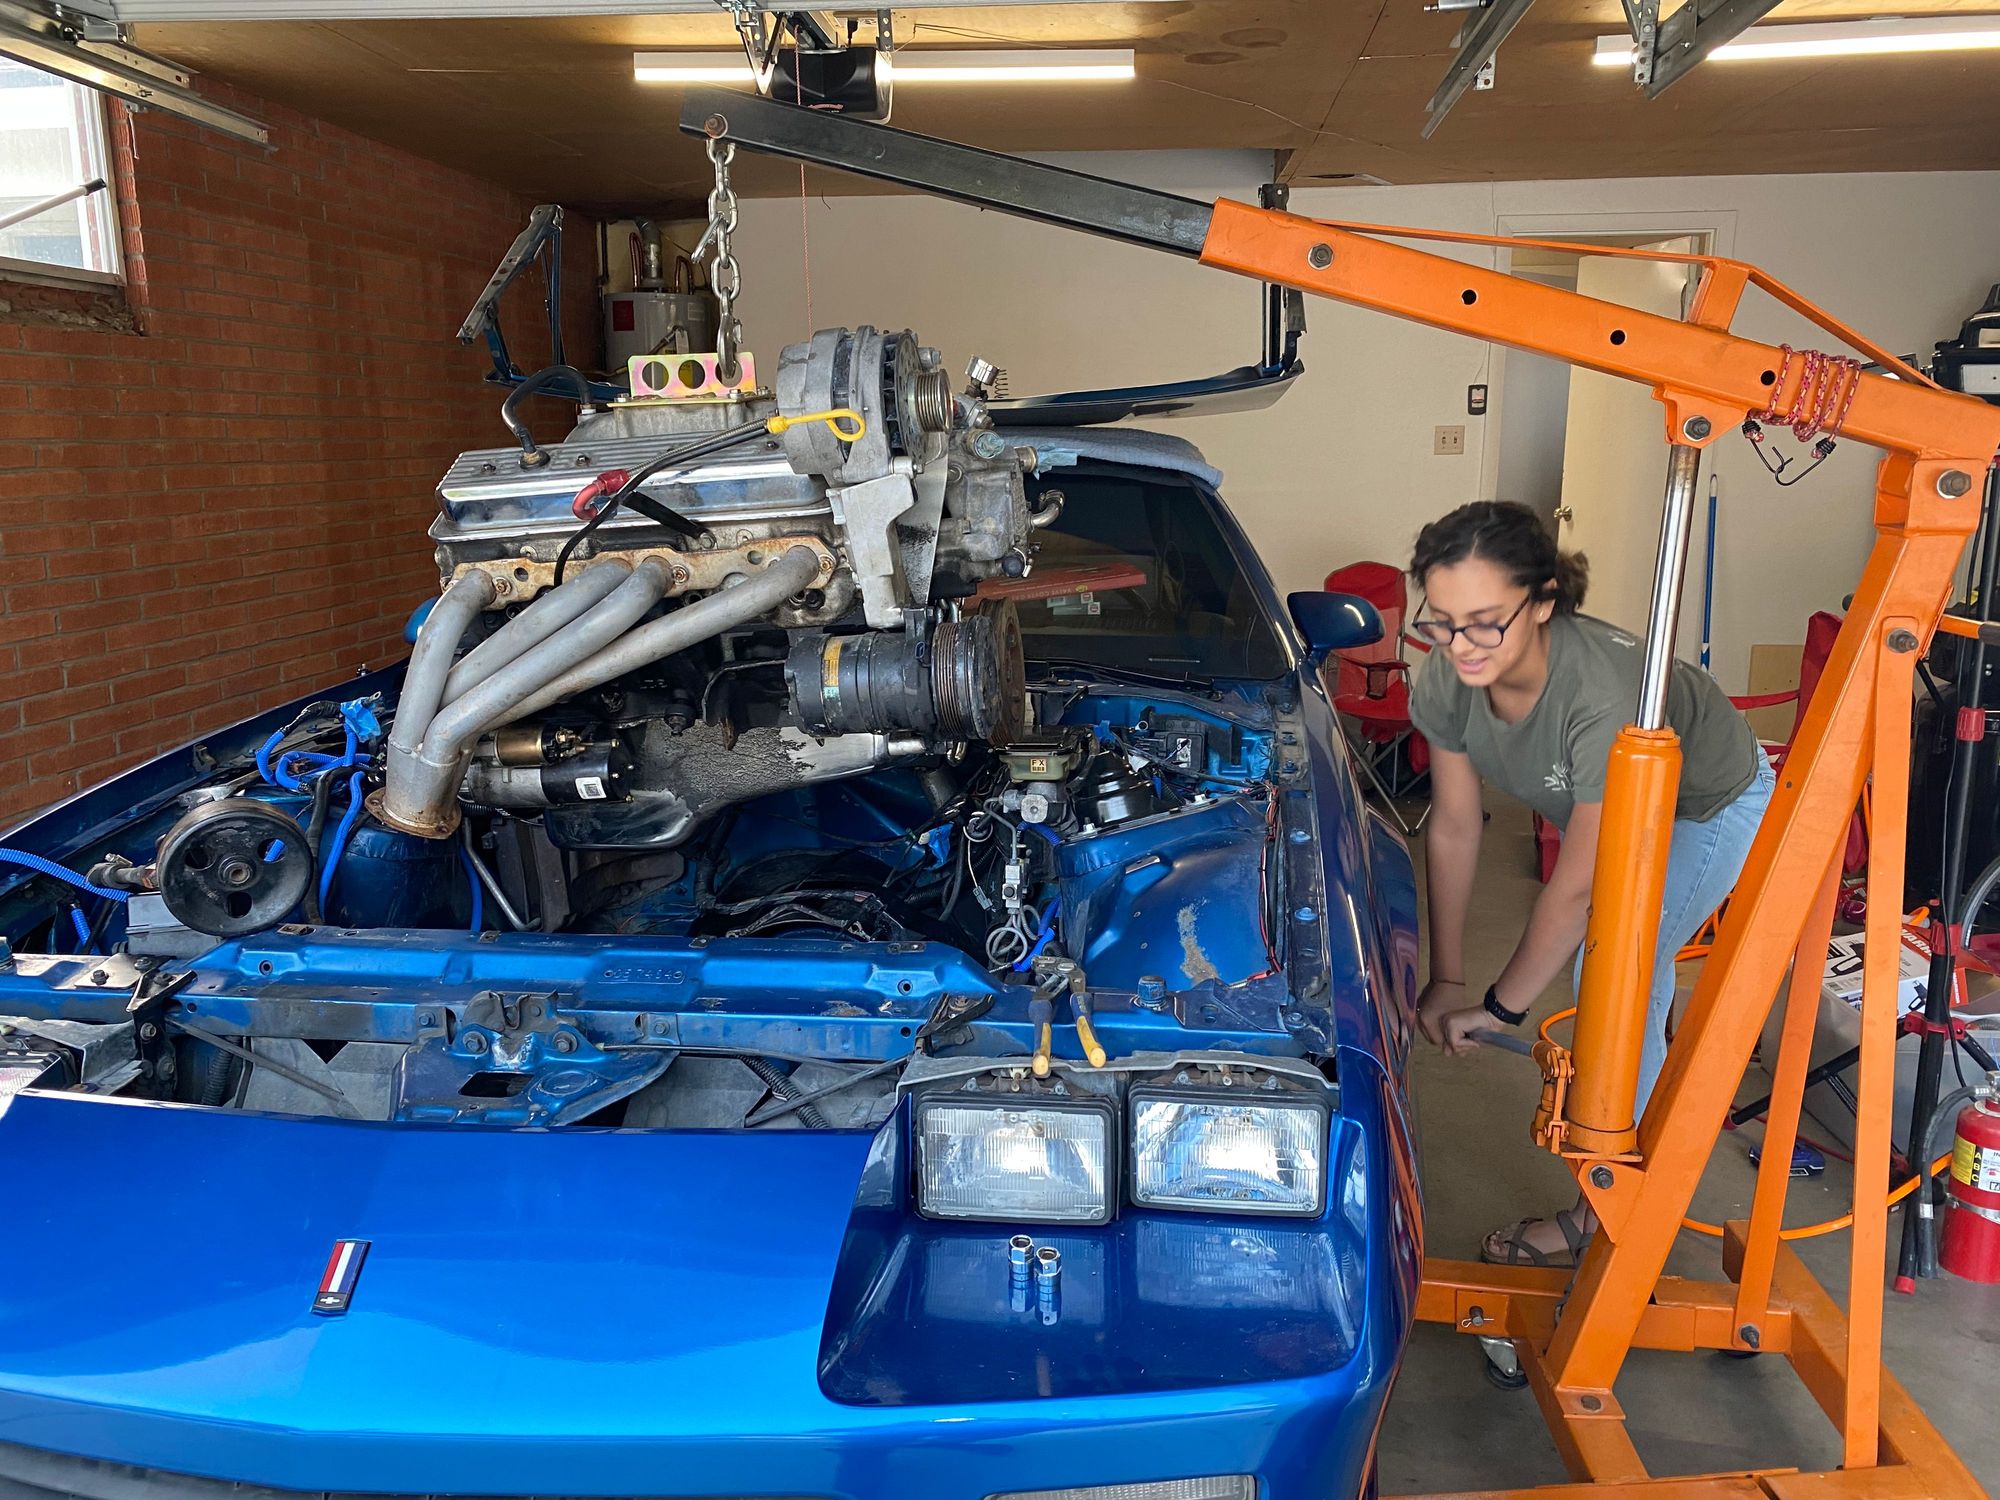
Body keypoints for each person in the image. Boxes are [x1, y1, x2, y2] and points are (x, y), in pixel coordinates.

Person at [1405, 500, 1775, 1267]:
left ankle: (1603, 1215)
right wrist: (1447, 978)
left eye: (1484, 623)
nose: (1460, 646)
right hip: (1618, 795)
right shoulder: (1449, 676)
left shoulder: (1601, 694)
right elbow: (1455, 826)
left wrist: (1498, 1009)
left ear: (1543, 601)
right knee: (1619, 972)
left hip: (1705, 801)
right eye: (1441, 621)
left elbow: (1577, 895)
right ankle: (1617, 1187)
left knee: (1618, 969)